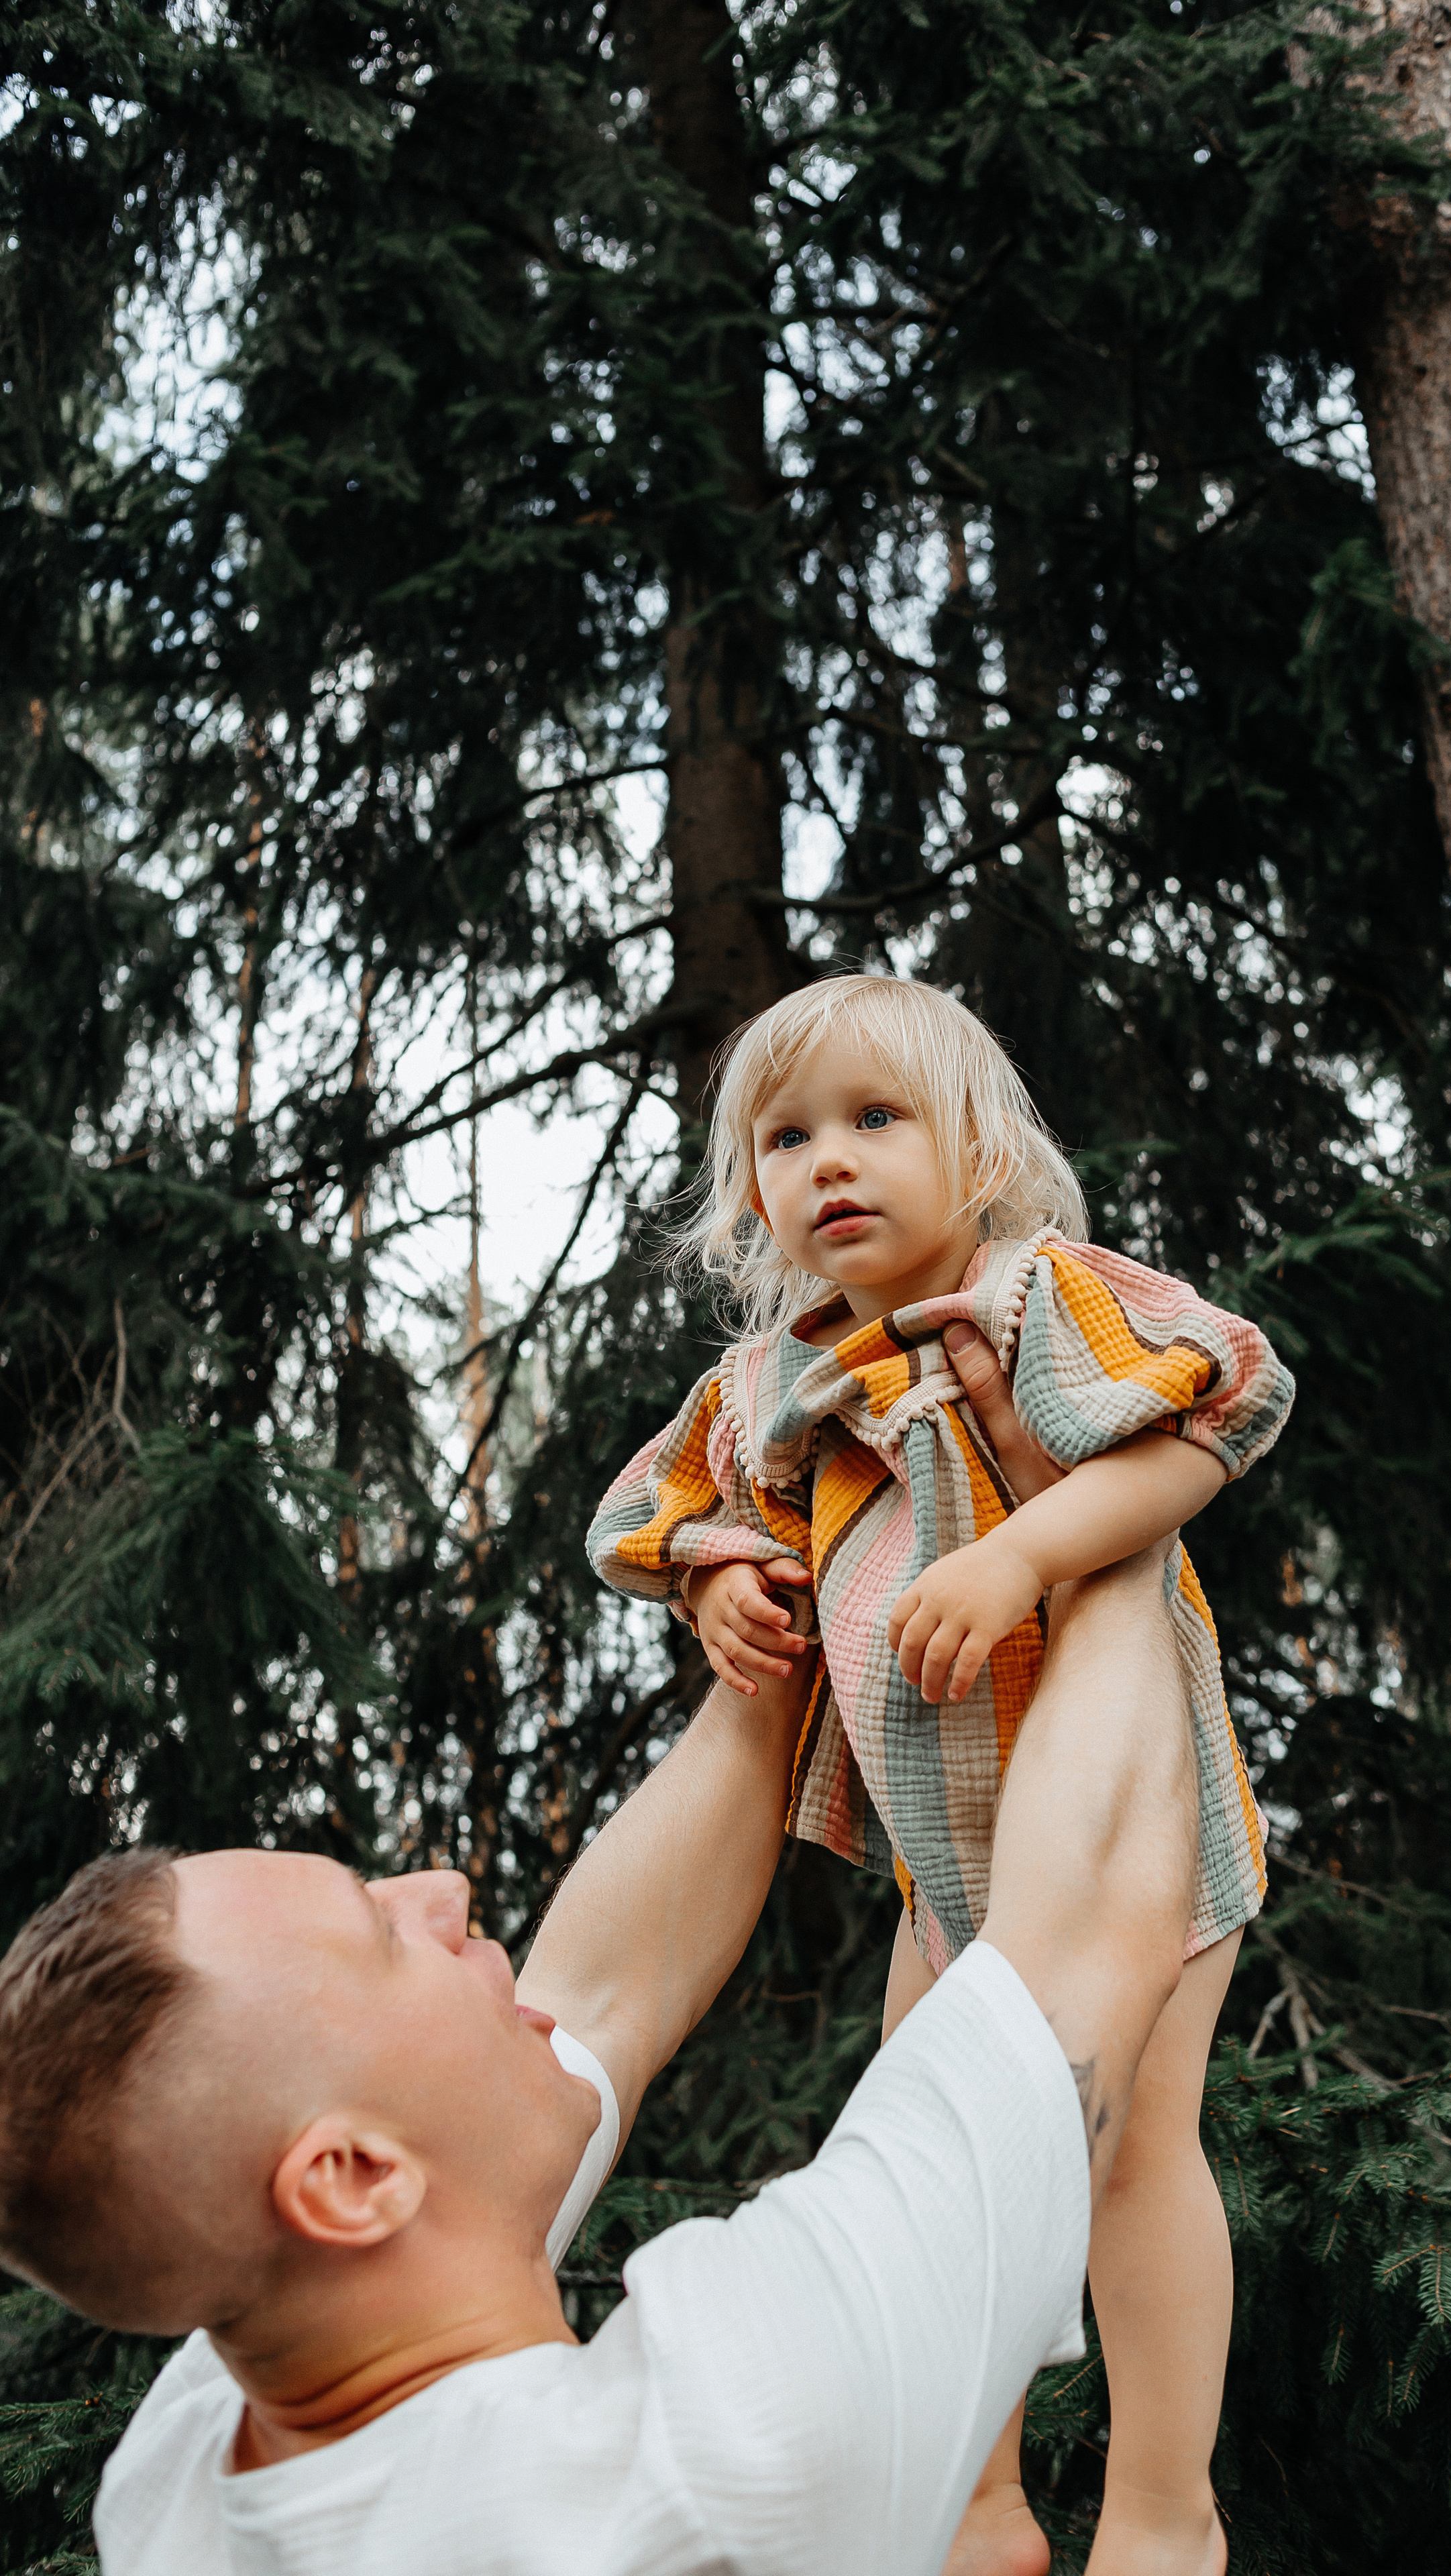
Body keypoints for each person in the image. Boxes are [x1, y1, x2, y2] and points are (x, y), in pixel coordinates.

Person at [0, 1338, 1199, 2576]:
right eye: (380, 1931)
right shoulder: (718, 2448)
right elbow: (1097, 1902)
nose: (442, 1891)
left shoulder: (196, 2457)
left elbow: (606, 1991)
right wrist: (1098, 1482)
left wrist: (772, 1629)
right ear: (351, 2179)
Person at [588, 973, 1295, 2576]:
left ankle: (1163, 2513)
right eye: (784, 1138)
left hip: (1138, 1842)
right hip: (946, 1876)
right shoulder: (774, 1374)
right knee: (931, 2175)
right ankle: (977, 2508)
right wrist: (707, 1570)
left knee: (1125, 2153)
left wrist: (1025, 1549)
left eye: (874, 1120)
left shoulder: (1032, 1294)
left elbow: (1230, 1398)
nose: (826, 1162)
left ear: (976, 1150)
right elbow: (642, 1507)